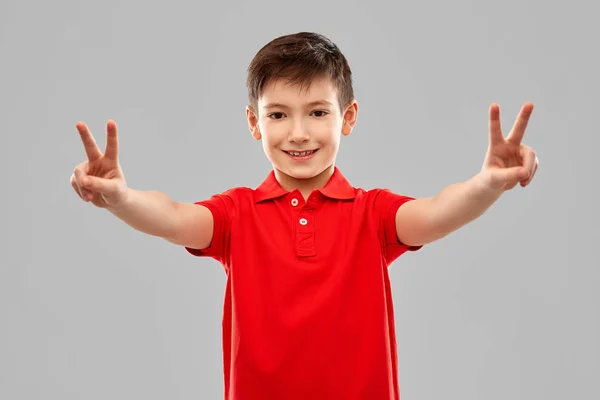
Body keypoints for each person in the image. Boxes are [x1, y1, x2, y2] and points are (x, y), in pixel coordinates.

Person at [70, 32, 539, 400]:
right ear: (254, 123)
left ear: (347, 118)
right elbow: (172, 217)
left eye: (317, 112)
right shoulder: (237, 214)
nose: (298, 133)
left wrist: (487, 183)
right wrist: (120, 198)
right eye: (277, 115)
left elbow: (437, 213)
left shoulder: (371, 213)